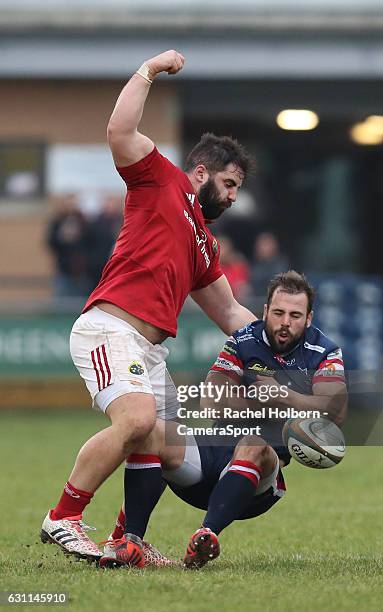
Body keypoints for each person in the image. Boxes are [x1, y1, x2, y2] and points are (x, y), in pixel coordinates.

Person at [40, 49, 256, 567]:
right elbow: (119, 132)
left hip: (149, 352)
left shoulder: (204, 243)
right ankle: (63, 517)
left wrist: (293, 348)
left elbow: (230, 314)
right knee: (137, 420)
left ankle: (126, 539)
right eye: (228, 185)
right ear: (201, 172)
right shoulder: (163, 180)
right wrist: (148, 71)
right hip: (110, 328)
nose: (231, 198)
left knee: (162, 438)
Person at [102, 270, 347, 569]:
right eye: (279, 313)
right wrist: (262, 402)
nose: (285, 322)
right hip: (212, 458)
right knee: (150, 432)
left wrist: (283, 394)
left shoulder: (324, 351)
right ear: (265, 311)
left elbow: (335, 409)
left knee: (253, 443)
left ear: (308, 319)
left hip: (256, 483)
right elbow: (213, 399)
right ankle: (130, 544)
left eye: (295, 315)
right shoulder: (243, 340)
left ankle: (206, 535)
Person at [250, 232, 289, 297]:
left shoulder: (281, 264)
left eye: (266, 244)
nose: (263, 248)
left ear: (274, 246)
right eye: (260, 245)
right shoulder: (255, 264)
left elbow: (275, 283)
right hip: (256, 301)